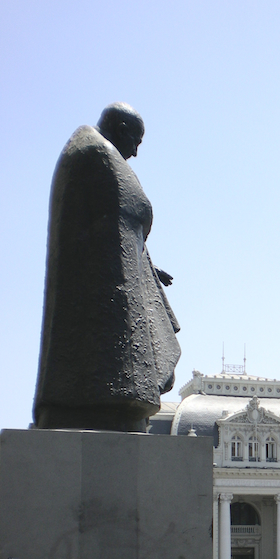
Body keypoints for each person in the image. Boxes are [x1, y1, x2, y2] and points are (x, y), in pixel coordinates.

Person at [34, 103, 180, 432]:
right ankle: (104, 408)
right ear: (121, 129)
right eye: (136, 142)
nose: (136, 153)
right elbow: (112, 227)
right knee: (106, 362)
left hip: (110, 276)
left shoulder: (95, 152)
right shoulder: (95, 152)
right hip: (101, 289)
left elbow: (119, 229)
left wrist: (147, 268)